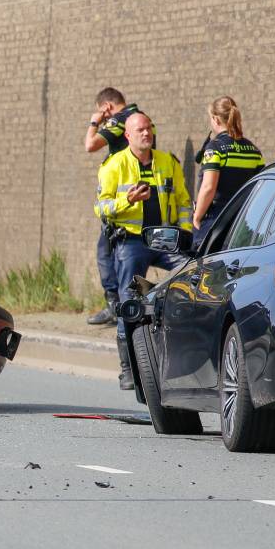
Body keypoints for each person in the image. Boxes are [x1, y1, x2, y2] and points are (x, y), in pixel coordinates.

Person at [96, 112, 191, 389]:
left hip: (163, 238)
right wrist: (127, 199)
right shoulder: (115, 165)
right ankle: (128, 369)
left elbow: (184, 201)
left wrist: (185, 233)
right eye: (140, 130)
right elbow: (100, 208)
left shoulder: (167, 162)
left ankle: (178, 353)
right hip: (132, 240)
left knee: (189, 275)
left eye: (149, 128)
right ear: (128, 135)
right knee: (128, 300)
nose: (146, 133)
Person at [84, 88, 143, 326]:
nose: (103, 118)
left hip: (121, 197)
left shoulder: (120, 120)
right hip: (137, 196)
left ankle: (115, 307)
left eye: (103, 113)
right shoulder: (141, 118)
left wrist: (94, 122)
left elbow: (90, 145)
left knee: (106, 254)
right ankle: (124, 306)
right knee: (124, 256)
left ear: (107, 107)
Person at [192, 96, 264, 247]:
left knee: (205, 267)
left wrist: (197, 217)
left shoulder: (215, 147)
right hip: (243, 222)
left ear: (216, 119)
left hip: (215, 220)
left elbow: (208, 187)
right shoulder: (254, 150)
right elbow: (260, 188)